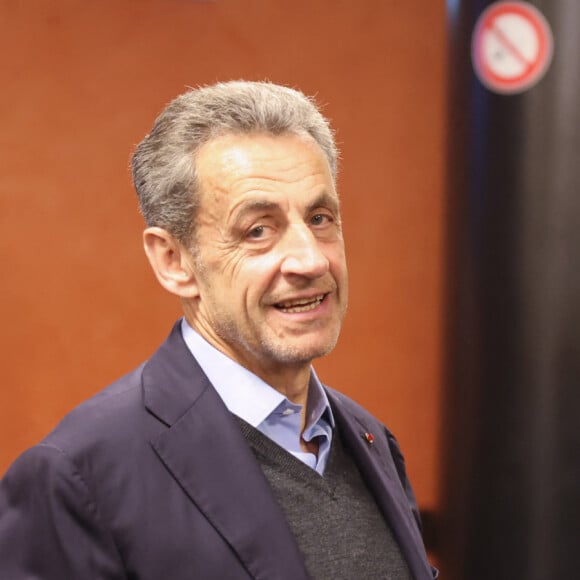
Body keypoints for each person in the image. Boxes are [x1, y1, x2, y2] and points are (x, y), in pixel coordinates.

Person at [0, 81, 437, 579]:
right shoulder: (77, 477)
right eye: (258, 230)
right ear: (174, 261)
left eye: (320, 218)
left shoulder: (372, 441)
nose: (311, 259)